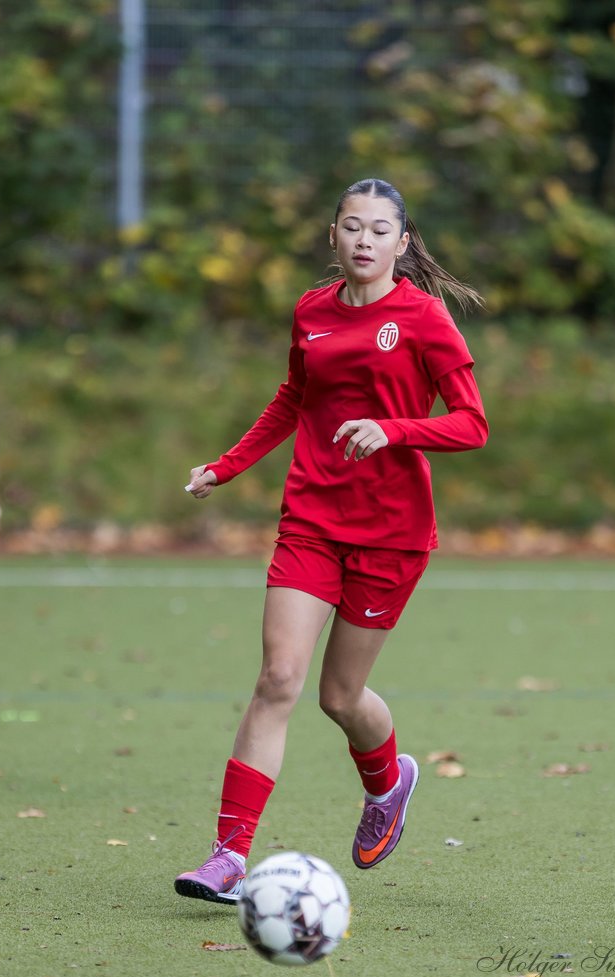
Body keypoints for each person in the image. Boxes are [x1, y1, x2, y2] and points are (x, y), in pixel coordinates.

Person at [174, 177, 488, 904]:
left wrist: (395, 429)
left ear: (402, 244)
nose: (364, 241)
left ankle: (388, 783)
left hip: (392, 535)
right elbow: (293, 398)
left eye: (380, 230)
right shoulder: (311, 312)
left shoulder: (424, 319)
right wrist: (226, 467)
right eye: (352, 226)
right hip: (311, 518)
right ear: (333, 235)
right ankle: (227, 856)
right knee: (278, 678)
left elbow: (473, 423)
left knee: (340, 696)